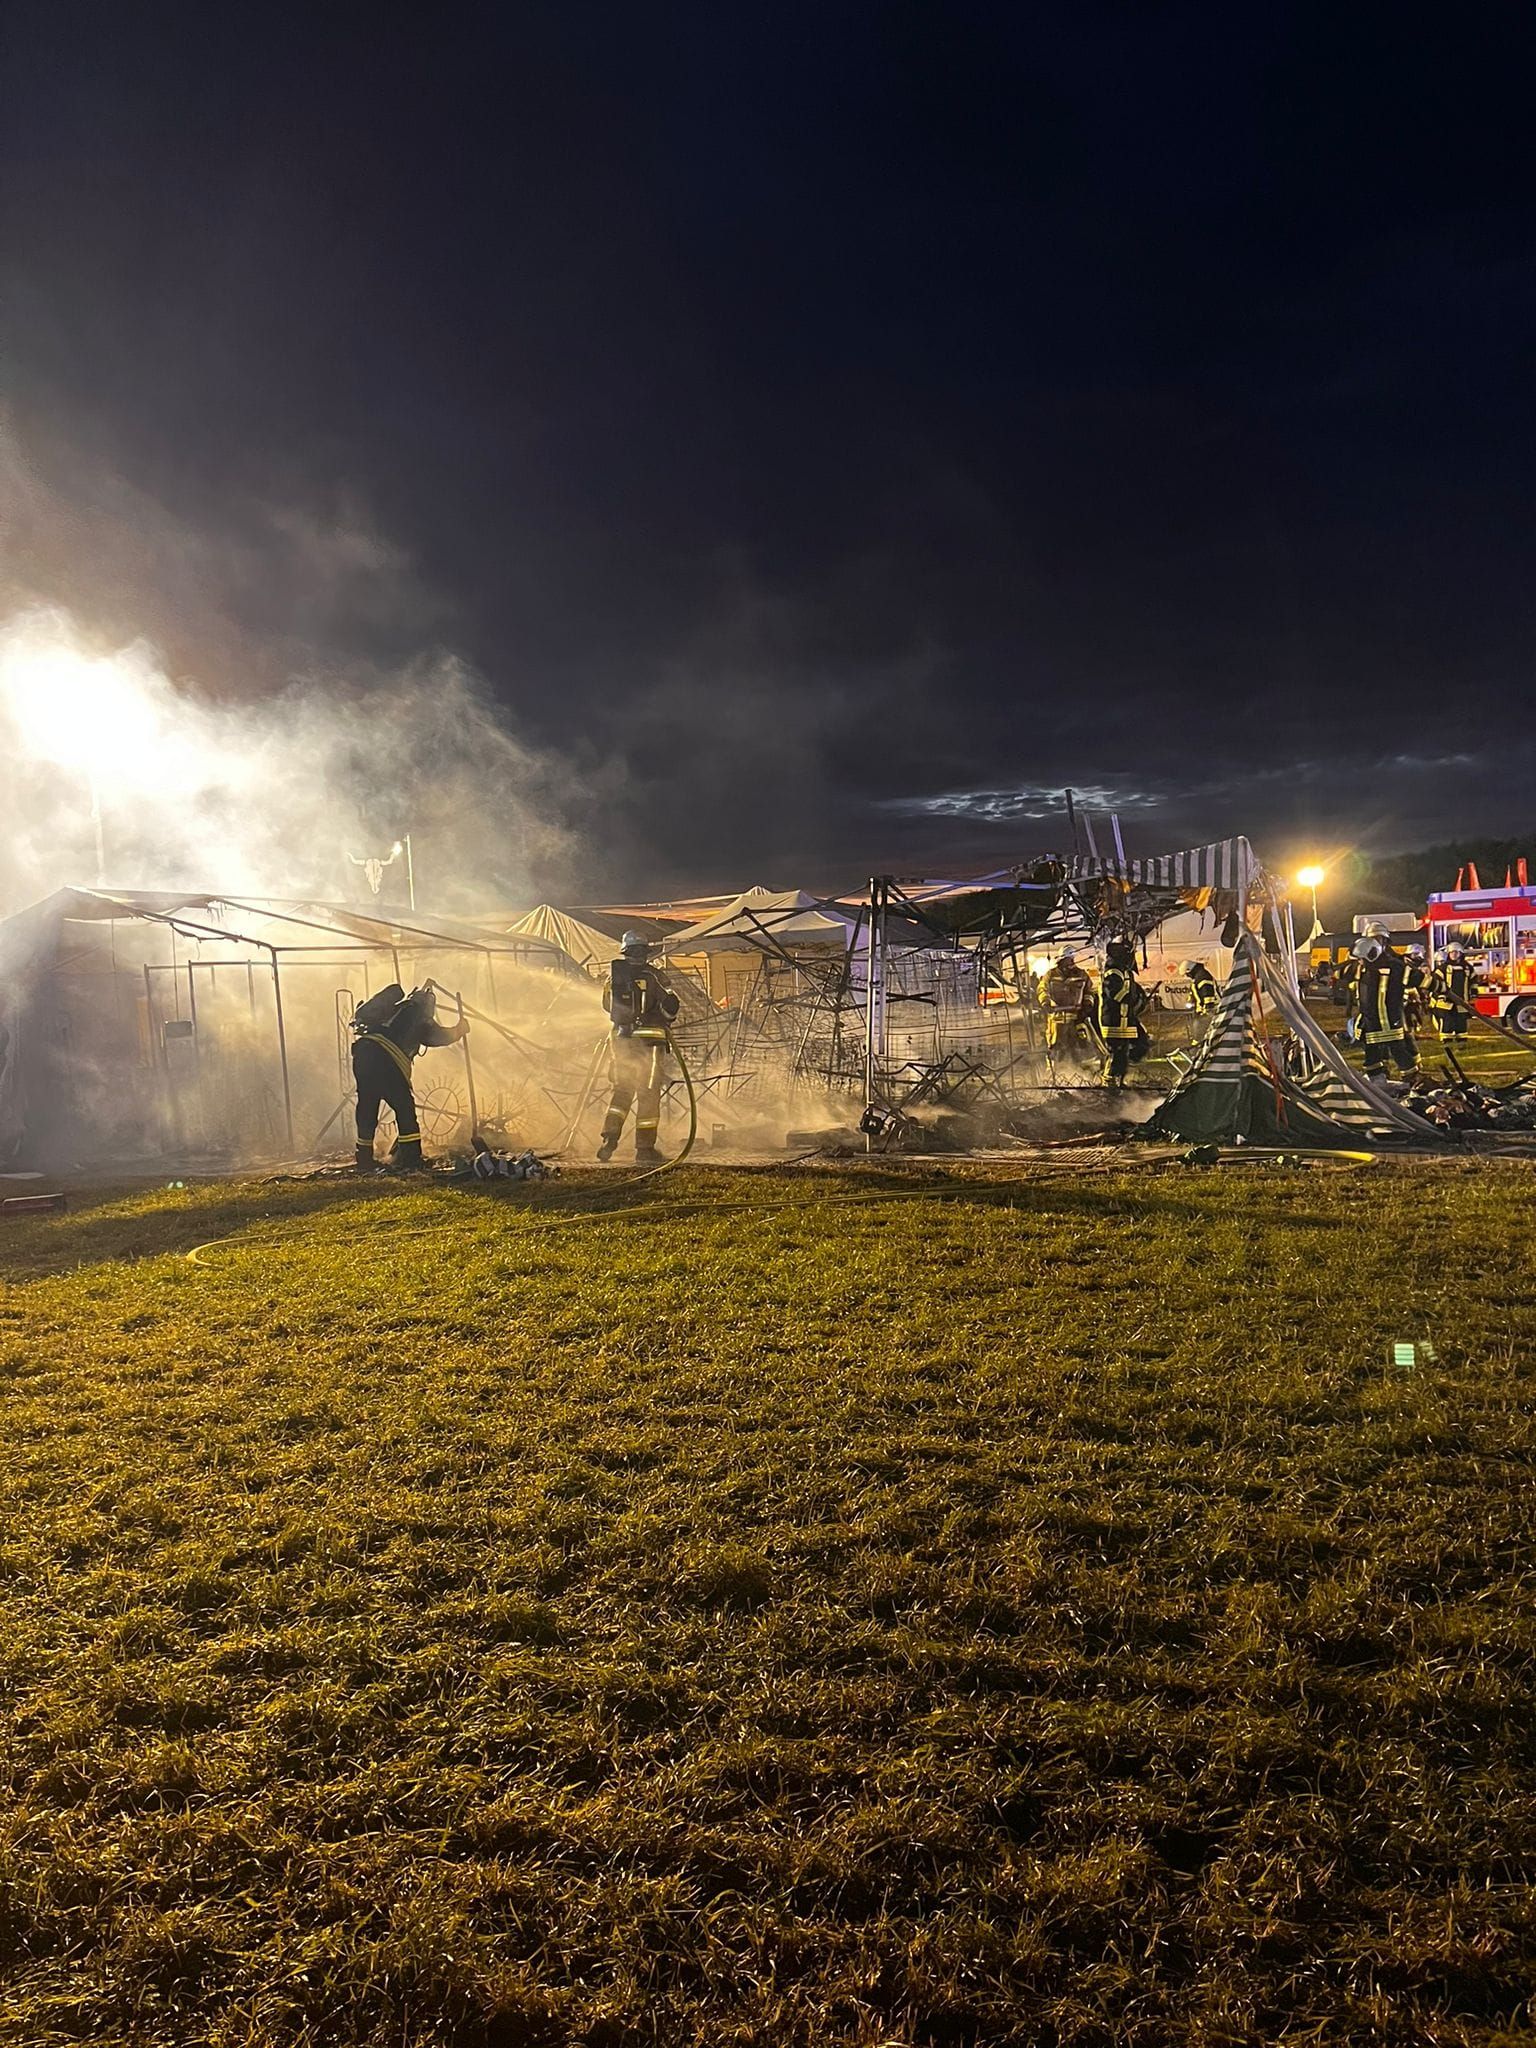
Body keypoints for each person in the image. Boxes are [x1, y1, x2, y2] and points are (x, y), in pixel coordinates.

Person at [352, 983, 468, 1172]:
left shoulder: (394, 1010)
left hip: (363, 1053)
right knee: (404, 1108)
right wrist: (459, 1030)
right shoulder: (419, 1016)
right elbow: (438, 1037)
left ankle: (364, 1158)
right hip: (387, 1058)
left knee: (367, 1106)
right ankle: (411, 1159)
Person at [598, 933, 680, 1163]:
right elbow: (670, 1008)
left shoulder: (613, 977)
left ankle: (609, 1138)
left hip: (621, 1041)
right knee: (648, 1093)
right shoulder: (655, 976)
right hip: (650, 1043)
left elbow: (606, 1006)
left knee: (622, 1090)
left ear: (625, 951)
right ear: (645, 952)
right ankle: (645, 1149)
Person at [1352, 930, 1419, 1082]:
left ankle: (1412, 1078)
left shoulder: (1395, 966)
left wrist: (1439, 987)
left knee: (1398, 1049)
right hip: (1371, 1020)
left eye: (1362, 959)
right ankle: (1376, 1078)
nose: (1360, 962)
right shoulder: (1364, 968)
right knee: (1372, 1052)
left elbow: (1418, 978)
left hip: (1388, 1019)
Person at [1097, 937, 1150, 1087]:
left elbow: (1131, 989)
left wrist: (1141, 997)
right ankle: (1110, 1082)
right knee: (1117, 1053)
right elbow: (1114, 993)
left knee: (1141, 1044)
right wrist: (1132, 1000)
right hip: (1114, 1020)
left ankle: (1121, 1074)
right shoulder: (1113, 970)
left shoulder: (1124, 970)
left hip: (1127, 1019)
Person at [1038, 949, 1093, 1056]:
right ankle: (1054, 1071)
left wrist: (1087, 1004)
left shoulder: (1081, 974)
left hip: (1076, 1019)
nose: (1072, 962)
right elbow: (1042, 989)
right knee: (1055, 1048)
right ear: (1061, 960)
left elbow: (1089, 991)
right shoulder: (1050, 975)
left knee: (1078, 1048)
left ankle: (1078, 1071)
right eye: (1069, 959)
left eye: (1072, 959)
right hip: (1056, 1019)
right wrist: (1045, 1002)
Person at [1428, 943, 1477, 1042]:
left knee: (1461, 1022)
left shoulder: (1467, 968)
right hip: (1446, 1002)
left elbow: (1474, 981)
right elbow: (1435, 984)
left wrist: (1474, 993)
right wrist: (1440, 995)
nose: (1454, 955)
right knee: (1447, 1022)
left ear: (1461, 953)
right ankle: (1447, 1042)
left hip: (1462, 1001)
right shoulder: (1443, 968)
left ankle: (1462, 1042)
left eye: (1456, 952)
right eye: (1451, 953)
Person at [1403, 945, 1429, 1034]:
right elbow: (1408, 982)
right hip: (1407, 996)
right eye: (1415, 955)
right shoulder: (1407, 966)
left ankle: (1412, 1031)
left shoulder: (1414, 966)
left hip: (1413, 996)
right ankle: (1409, 1032)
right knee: (1408, 1014)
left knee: (1415, 1014)